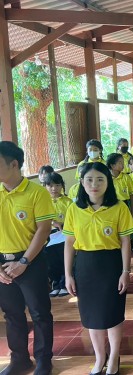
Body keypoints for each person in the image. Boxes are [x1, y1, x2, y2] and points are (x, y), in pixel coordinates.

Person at [63, 162, 133, 375]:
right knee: (91, 316)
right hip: (85, 266)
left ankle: (114, 357)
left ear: (108, 182)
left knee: (112, 314)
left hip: (111, 264)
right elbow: (69, 243)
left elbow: (125, 242)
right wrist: (68, 274)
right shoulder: (74, 209)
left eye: (100, 179)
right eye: (89, 180)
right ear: (82, 183)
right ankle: (99, 357)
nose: (94, 184)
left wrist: (125, 271)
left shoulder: (119, 207)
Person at [0, 141, 55, 375]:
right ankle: (19, 359)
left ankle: (44, 359)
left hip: (30, 261)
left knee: (40, 312)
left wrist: (23, 263)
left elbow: (43, 231)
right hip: (3, 262)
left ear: (14, 164)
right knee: (11, 314)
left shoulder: (37, 193)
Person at [42, 172, 71, 298]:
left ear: (62, 186)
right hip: (48, 237)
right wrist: (52, 222)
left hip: (64, 236)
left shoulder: (68, 202)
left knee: (64, 260)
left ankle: (64, 284)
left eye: (57, 185)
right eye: (50, 186)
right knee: (51, 263)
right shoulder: (42, 202)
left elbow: (73, 220)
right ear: (45, 186)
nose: (54, 189)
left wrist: (62, 223)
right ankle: (56, 285)